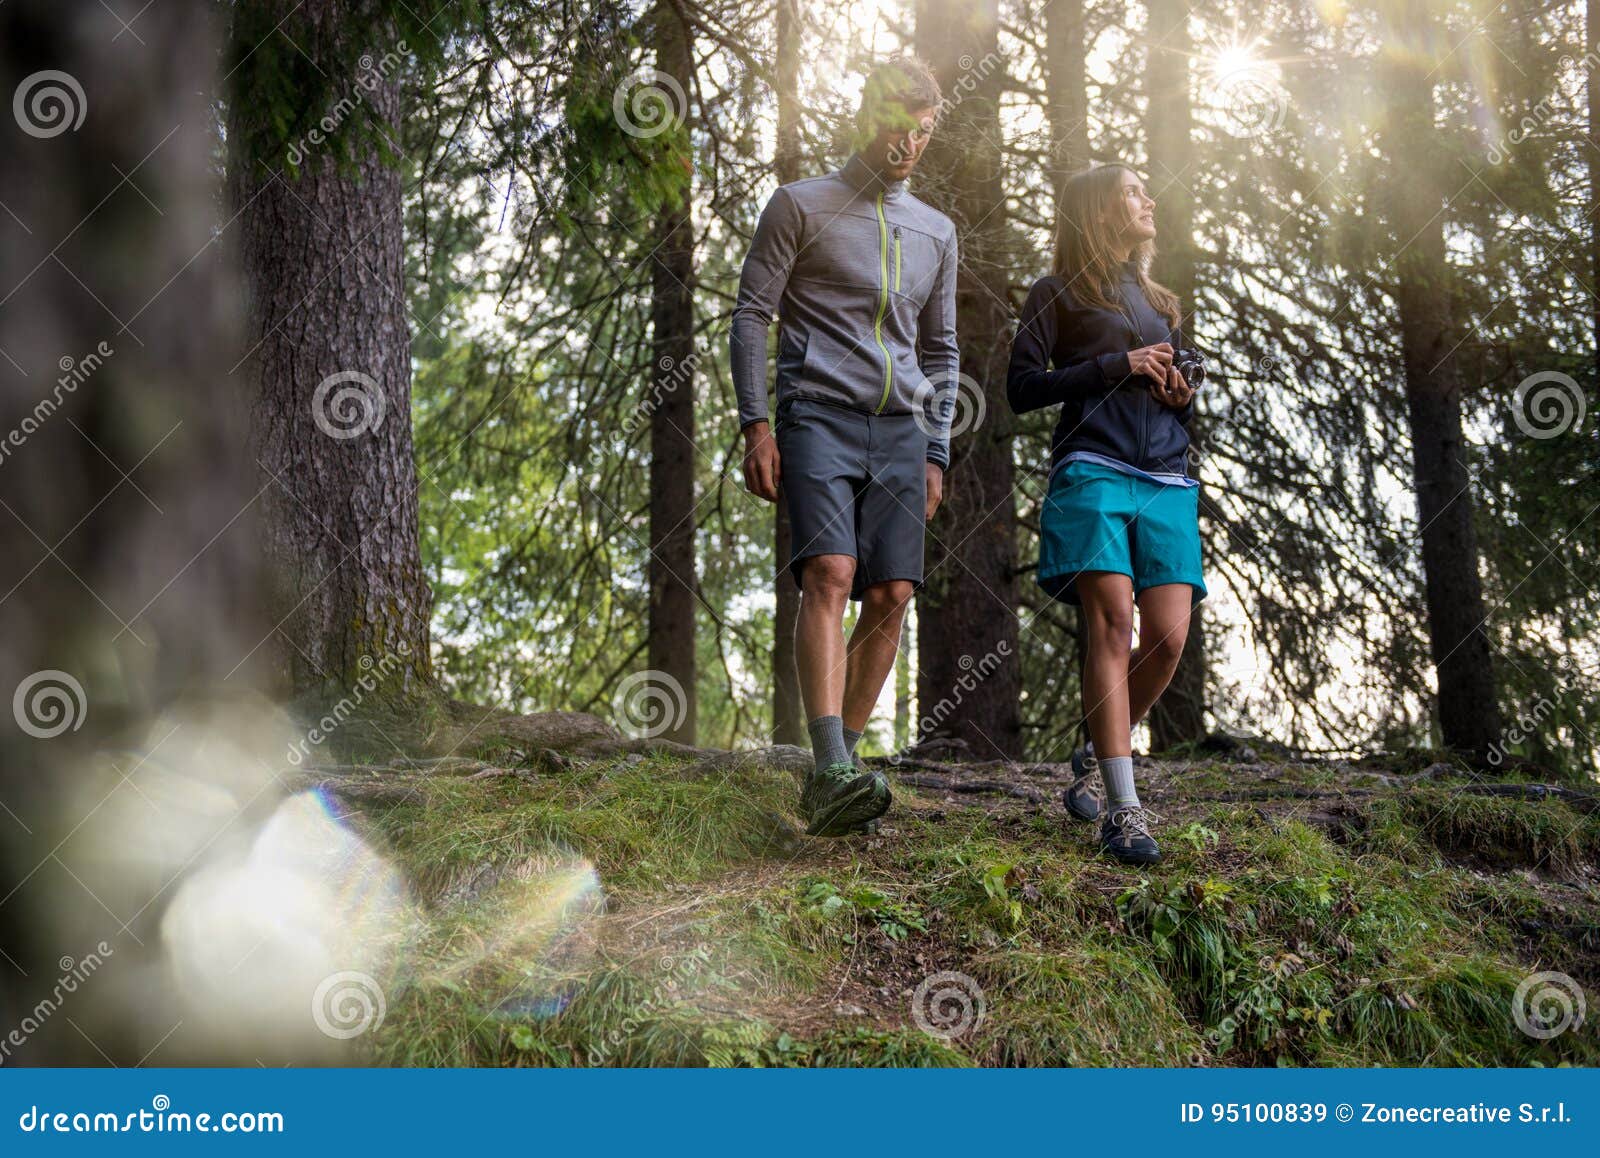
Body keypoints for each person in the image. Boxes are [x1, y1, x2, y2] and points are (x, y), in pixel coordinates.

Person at [731, 57, 958, 836]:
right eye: (897, 123)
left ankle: (842, 775)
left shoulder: (937, 230)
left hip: (903, 427)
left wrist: (938, 452)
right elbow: (751, 314)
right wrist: (755, 422)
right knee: (829, 571)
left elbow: (944, 351)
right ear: (868, 113)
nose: (908, 143)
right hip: (815, 413)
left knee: (893, 594)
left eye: (922, 131)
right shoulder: (798, 205)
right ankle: (827, 762)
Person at [1006, 163, 1206, 865]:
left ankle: (1096, 751)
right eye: (1132, 191)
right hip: (1090, 468)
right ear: (1098, 210)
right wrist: (1114, 364)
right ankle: (1124, 811)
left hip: (1166, 478)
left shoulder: (1161, 300)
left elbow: (1184, 378)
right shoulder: (1054, 293)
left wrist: (1183, 391)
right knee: (1113, 624)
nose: (1149, 200)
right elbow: (1021, 387)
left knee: (1170, 638)